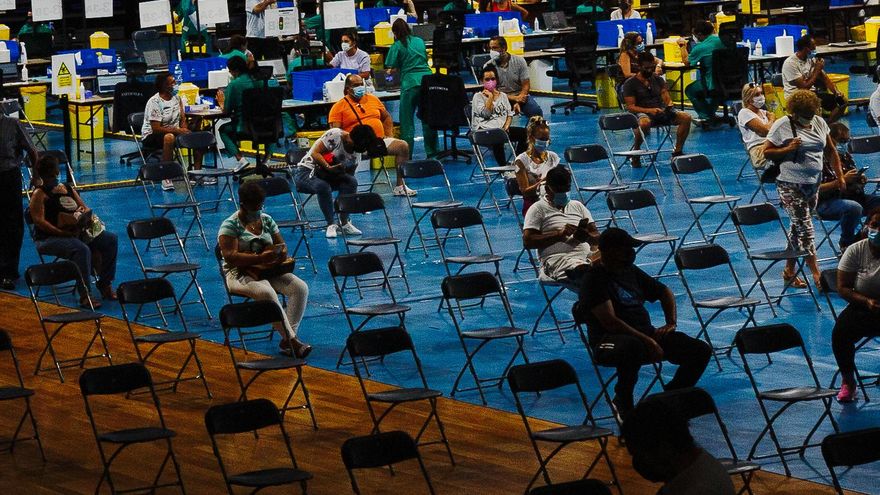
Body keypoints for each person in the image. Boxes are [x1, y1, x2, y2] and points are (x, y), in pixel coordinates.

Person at [572, 228, 712, 416]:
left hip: (644, 334)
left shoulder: (630, 271)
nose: (631, 252)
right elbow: (611, 322)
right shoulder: (594, 279)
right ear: (610, 251)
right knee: (632, 347)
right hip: (607, 341)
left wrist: (671, 323)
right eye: (626, 248)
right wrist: (649, 342)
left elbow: (665, 292)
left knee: (699, 350)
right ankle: (623, 399)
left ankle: (670, 399)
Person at [218, 181, 311, 358]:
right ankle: (293, 342)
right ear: (243, 204)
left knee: (300, 288)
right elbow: (231, 257)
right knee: (267, 292)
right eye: (255, 206)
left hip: (267, 270)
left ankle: (287, 338)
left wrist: (281, 253)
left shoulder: (267, 220)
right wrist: (259, 258)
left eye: (260, 205)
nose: (258, 209)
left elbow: (280, 244)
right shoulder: (230, 225)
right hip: (239, 273)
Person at [764, 89, 844, 289]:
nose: (809, 119)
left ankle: (789, 271)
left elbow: (831, 151)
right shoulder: (782, 125)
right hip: (790, 185)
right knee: (806, 230)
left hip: (813, 183)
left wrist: (840, 175)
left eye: (811, 114)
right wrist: (787, 149)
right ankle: (816, 274)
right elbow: (766, 152)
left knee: (797, 228)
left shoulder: (818, 122)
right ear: (794, 112)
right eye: (805, 116)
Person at [29, 155, 118, 308]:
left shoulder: (68, 188)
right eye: (51, 174)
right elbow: (39, 222)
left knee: (110, 239)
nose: (55, 177)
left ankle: (105, 283)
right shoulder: (40, 194)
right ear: (45, 175)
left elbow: (85, 207)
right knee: (81, 249)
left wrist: (84, 217)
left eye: (55, 173)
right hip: (49, 237)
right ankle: (85, 294)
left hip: (76, 231)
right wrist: (61, 233)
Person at [621, 399, 736, 495]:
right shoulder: (699, 465)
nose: (637, 462)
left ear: (664, 449)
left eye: (639, 454)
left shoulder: (699, 489)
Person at [328, 74, 415, 196]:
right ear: (347, 89)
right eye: (355, 85)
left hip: (378, 141)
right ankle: (349, 190)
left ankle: (400, 186)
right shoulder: (338, 107)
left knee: (403, 146)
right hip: (355, 146)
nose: (359, 87)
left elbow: (386, 117)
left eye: (360, 84)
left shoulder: (373, 99)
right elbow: (335, 132)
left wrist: (389, 134)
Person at [523, 166, 599, 289]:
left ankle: (590, 266)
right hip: (558, 260)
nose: (563, 193)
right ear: (547, 189)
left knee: (617, 252)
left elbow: (597, 236)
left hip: (586, 256)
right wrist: (558, 235)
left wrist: (588, 237)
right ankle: (587, 270)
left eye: (567, 188)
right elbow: (528, 242)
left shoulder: (578, 206)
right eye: (559, 190)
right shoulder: (537, 209)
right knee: (592, 278)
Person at [832, 209, 880, 402]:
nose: (878, 230)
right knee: (840, 333)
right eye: (875, 225)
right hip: (863, 305)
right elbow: (843, 287)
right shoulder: (855, 250)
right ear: (867, 226)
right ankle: (848, 382)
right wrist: (866, 301)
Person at [294, 127, 367, 238]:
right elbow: (315, 153)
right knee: (323, 186)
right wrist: (328, 167)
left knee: (351, 182)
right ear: (350, 138)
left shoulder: (356, 154)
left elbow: (348, 176)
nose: (352, 150)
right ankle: (330, 224)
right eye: (352, 146)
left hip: (328, 175)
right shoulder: (335, 135)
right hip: (306, 171)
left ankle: (344, 222)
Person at [817, 122, 880, 252]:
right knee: (853, 208)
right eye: (841, 141)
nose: (844, 144)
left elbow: (853, 180)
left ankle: (862, 238)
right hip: (827, 202)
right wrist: (841, 181)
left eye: (847, 140)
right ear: (829, 139)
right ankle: (846, 243)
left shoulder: (846, 156)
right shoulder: (817, 160)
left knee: (877, 203)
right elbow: (815, 189)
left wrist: (859, 179)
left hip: (852, 196)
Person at [142, 72, 207, 191]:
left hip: (175, 132)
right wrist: (178, 131)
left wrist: (187, 128)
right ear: (164, 86)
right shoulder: (154, 102)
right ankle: (166, 177)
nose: (175, 84)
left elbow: (182, 119)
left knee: (198, 136)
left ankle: (196, 173)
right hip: (153, 135)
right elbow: (156, 128)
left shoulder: (177, 98)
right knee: (169, 137)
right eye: (172, 83)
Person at [623, 52, 692, 163]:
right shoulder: (630, 84)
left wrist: (669, 104)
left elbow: (665, 95)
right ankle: (636, 151)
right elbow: (631, 107)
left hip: (660, 111)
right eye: (646, 68)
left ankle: (678, 151)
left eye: (652, 67)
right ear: (639, 67)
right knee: (644, 123)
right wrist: (649, 110)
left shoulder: (658, 79)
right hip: (642, 112)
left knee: (686, 117)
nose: (650, 70)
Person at [385, 19, 438, 160]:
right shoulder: (419, 41)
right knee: (428, 118)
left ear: (395, 32)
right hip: (427, 82)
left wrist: (389, 75)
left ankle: (406, 154)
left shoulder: (396, 46)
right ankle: (432, 153)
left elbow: (390, 70)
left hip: (410, 85)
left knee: (407, 122)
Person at [218, 56, 279, 171]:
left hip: (245, 127)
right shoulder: (263, 81)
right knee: (272, 126)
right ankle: (267, 159)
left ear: (234, 70)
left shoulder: (234, 85)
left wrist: (222, 103)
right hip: (267, 125)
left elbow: (227, 111)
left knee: (222, 130)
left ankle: (240, 159)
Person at [0, 112, 38, 290]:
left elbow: (32, 150)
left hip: (8, 176)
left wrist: (36, 176)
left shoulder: (13, 124)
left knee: (12, 224)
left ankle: (9, 271)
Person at [471, 65, 527, 166]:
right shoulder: (477, 97)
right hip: (483, 130)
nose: (490, 81)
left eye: (493, 79)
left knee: (526, 133)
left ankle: (517, 163)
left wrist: (506, 126)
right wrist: (490, 98)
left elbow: (509, 114)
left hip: (502, 129)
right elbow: (486, 114)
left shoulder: (503, 96)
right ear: (481, 81)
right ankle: (503, 167)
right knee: (497, 134)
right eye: (487, 79)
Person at [782, 35, 847, 123]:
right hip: (796, 96)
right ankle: (820, 128)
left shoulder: (811, 59)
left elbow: (824, 78)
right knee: (815, 107)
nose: (815, 48)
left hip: (812, 93)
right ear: (806, 49)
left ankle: (827, 126)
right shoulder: (791, 64)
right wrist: (816, 70)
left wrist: (836, 92)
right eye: (813, 46)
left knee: (843, 102)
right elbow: (804, 88)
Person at [677, 21, 726, 123]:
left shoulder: (700, 48)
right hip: (731, 81)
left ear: (699, 34)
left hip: (712, 84)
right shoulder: (724, 41)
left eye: (694, 35)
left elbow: (687, 63)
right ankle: (711, 114)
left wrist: (682, 46)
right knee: (718, 90)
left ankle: (706, 116)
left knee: (690, 90)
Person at [486, 36, 542, 119]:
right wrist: (514, 99)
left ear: (504, 48)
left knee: (536, 111)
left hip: (520, 96)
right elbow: (492, 91)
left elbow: (526, 85)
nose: (492, 51)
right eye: (490, 49)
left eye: (494, 48)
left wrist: (519, 100)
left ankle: (530, 131)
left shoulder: (520, 61)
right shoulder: (488, 66)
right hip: (500, 98)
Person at [514, 116, 559, 215]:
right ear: (531, 138)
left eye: (547, 139)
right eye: (541, 139)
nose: (545, 142)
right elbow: (525, 192)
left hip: (554, 202)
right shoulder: (521, 161)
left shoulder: (553, 157)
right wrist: (544, 181)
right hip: (533, 206)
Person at [737, 82, 775, 170]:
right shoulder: (744, 113)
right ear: (748, 99)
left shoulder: (762, 112)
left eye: (761, 93)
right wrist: (772, 119)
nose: (761, 96)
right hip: (759, 151)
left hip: (771, 144)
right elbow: (764, 131)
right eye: (757, 94)